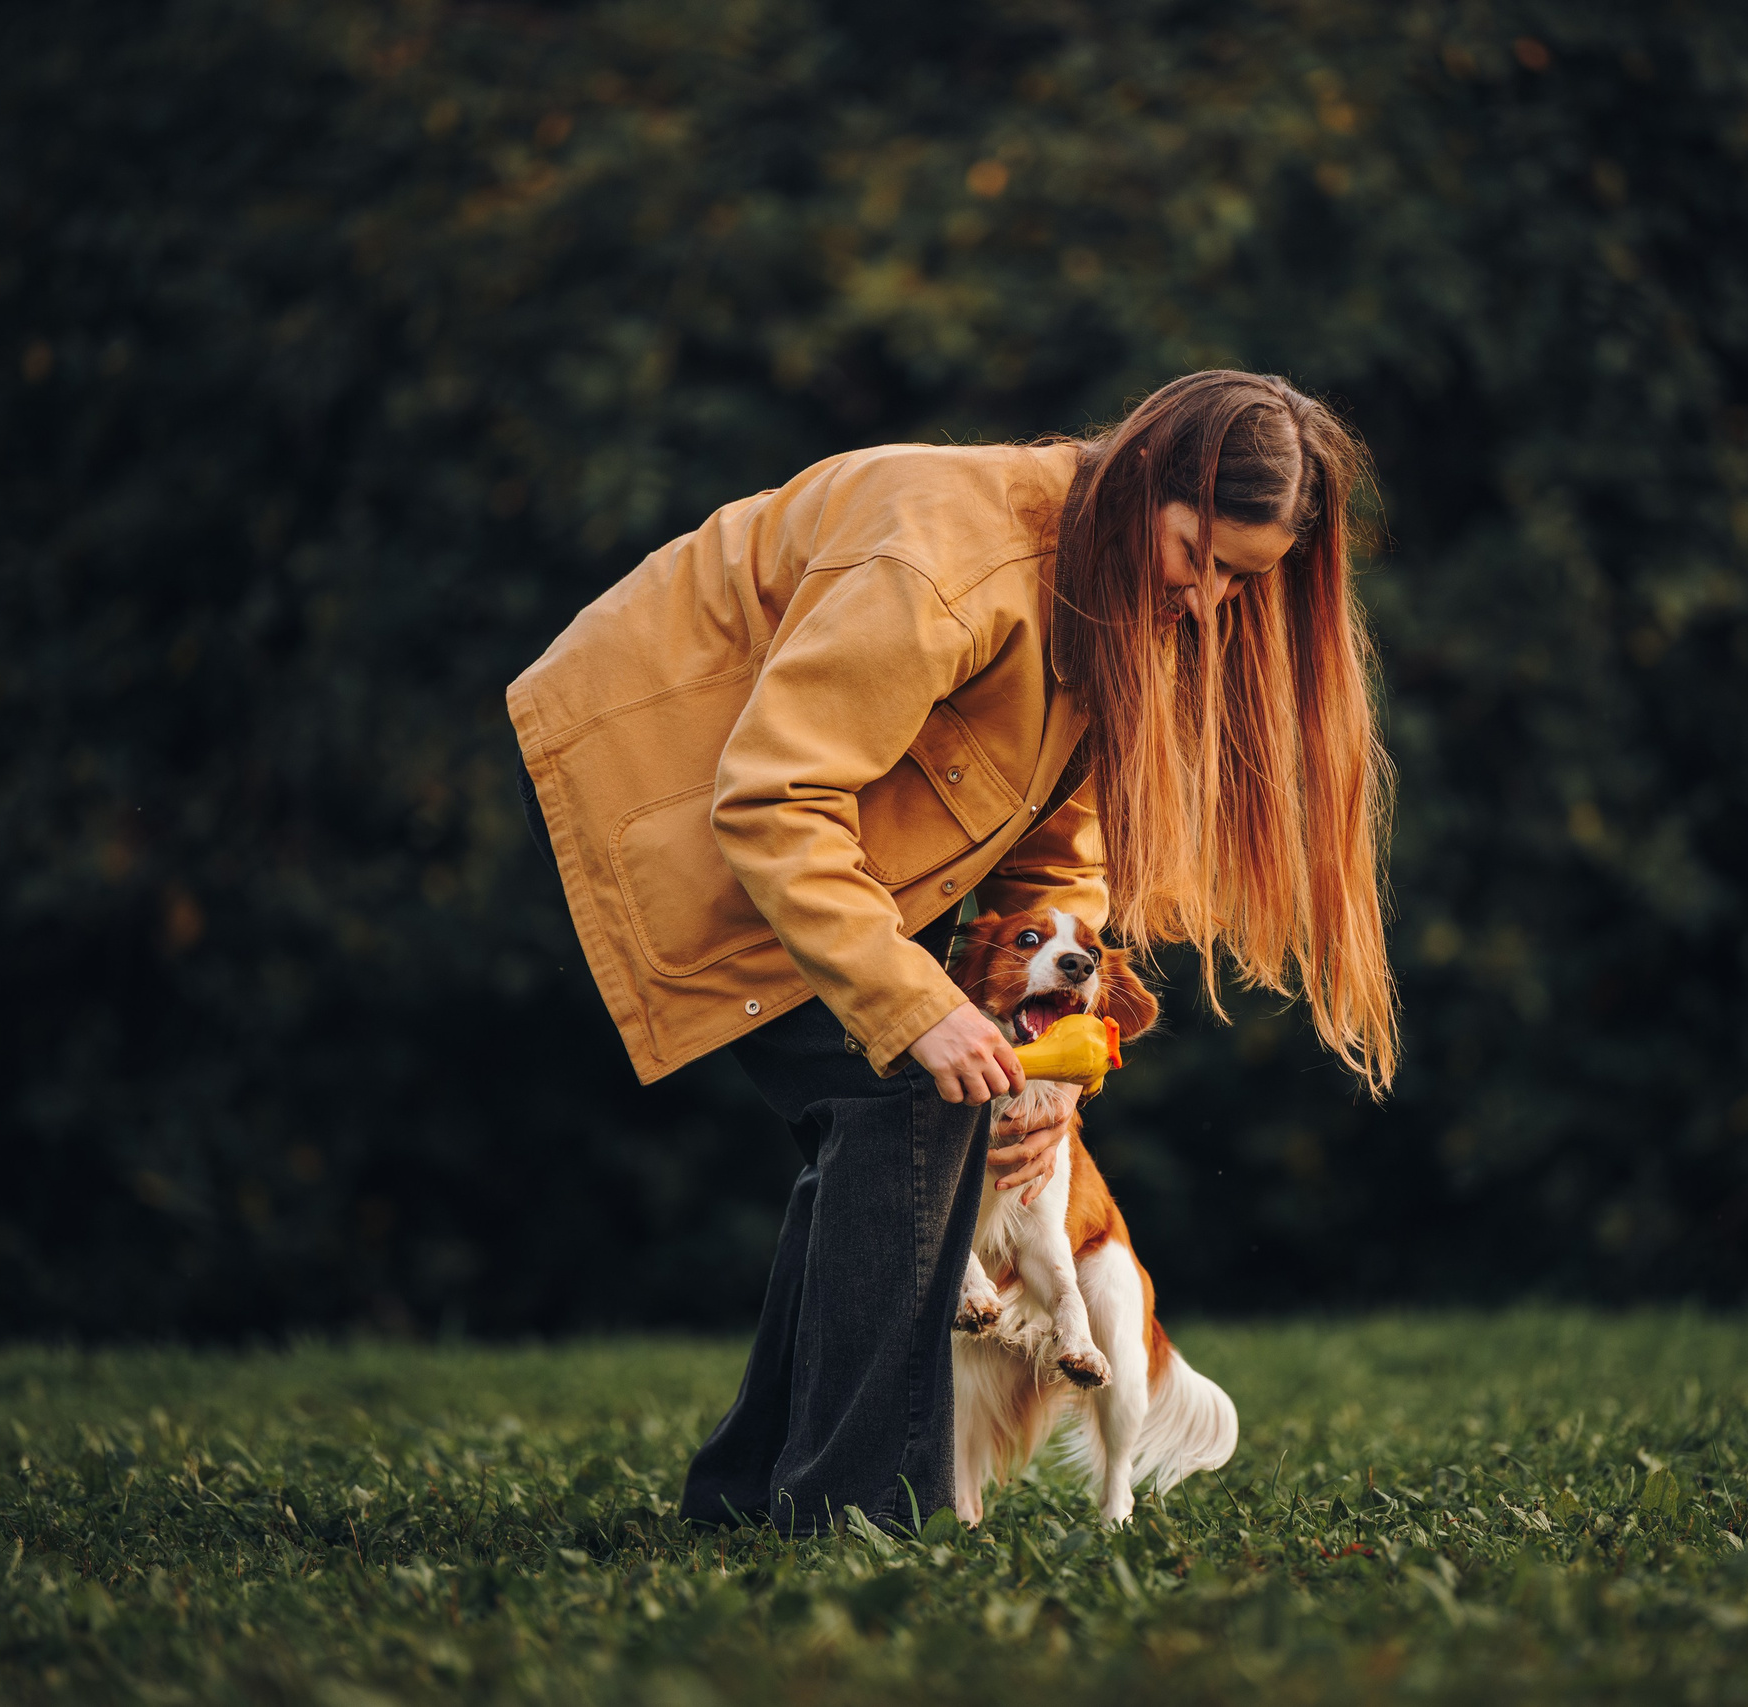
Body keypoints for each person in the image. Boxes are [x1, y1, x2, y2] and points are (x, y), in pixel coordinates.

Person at [505, 370, 1398, 1534]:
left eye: (1244, 580)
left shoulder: (1116, 592)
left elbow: (1057, 849)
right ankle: (854, 1510)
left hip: (826, 822)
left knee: (916, 1092)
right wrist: (917, 1011)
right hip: (672, 779)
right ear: (1140, 484)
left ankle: (747, 1499)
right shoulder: (944, 560)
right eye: (1203, 558)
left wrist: (1056, 1076)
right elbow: (774, 799)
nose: (1211, 600)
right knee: (907, 1089)